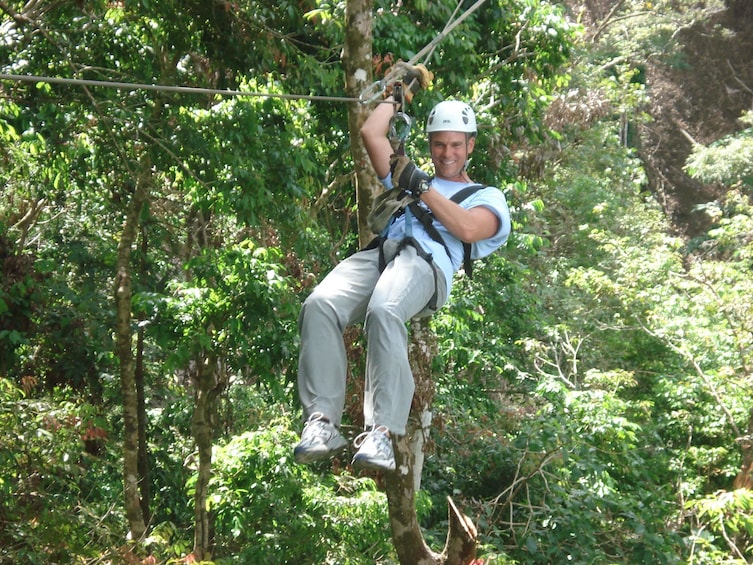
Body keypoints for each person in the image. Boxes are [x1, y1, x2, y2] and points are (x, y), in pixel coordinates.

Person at [294, 70, 511, 473]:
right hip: (383, 256)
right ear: (429, 144)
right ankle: (322, 422)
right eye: (439, 144)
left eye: (455, 146)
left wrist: (421, 185)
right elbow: (372, 135)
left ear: (470, 146)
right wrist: (400, 92)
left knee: (385, 309)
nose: (447, 153)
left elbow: (466, 228)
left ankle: (381, 432)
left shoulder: (486, 196)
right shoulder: (408, 178)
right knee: (319, 304)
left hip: (426, 264)